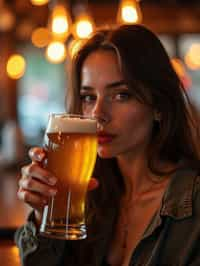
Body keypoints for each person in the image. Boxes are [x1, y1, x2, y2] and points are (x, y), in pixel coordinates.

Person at [15, 24, 200, 266]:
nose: (97, 114)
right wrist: (44, 215)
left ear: (158, 106)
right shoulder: (87, 197)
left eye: (121, 95)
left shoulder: (193, 204)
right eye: (88, 97)